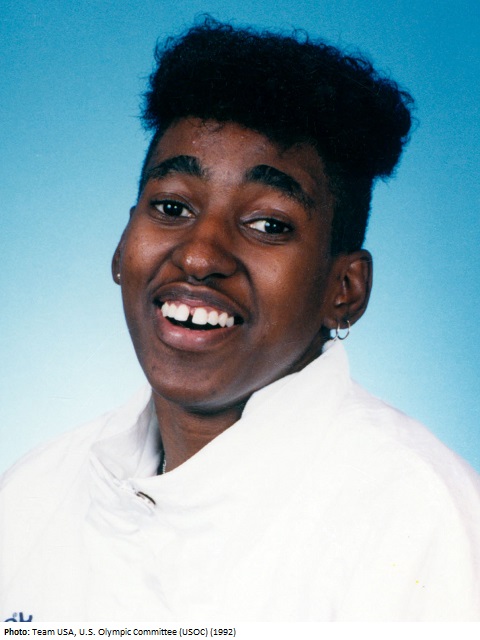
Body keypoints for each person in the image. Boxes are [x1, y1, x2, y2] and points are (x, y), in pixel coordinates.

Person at [1, 18, 480, 622]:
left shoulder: (417, 520)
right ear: (121, 248)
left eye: (268, 224)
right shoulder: (31, 496)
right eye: (172, 207)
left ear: (345, 289)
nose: (199, 255)